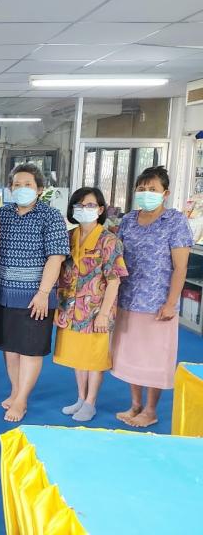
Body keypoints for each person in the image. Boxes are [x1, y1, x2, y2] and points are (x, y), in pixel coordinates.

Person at [111, 166, 192, 428]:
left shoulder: (175, 221)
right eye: (142, 189)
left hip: (158, 302)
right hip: (128, 298)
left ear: (165, 193)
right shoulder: (128, 220)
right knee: (131, 354)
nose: (146, 193)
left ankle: (150, 409)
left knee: (154, 356)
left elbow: (180, 267)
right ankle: (135, 404)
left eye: (153, 189)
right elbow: (117, 258)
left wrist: (171, 303)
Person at [0, 163, 69, 422]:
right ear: (10, 188)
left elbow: (56, 258)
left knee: (30, 350)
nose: (21, 189)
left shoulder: (51, 216)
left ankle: (22, 399)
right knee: (10, 348)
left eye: (28, 184)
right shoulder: (1, 215)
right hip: (3, 294)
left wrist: (43, 293)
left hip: (36, 297)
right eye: (17, 185)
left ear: (39, 189)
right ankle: (15, 391)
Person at [54, 187, 128, 422]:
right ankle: (80, 398)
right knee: (78, 357)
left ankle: (91, 402)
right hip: (70, 309)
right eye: (79, 205)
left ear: (100, 209)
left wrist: (103, 314)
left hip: (96, 310)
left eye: (89, 205)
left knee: (94, 359)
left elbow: (114, 281)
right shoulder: (69, 237)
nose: (83, 209)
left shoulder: (109, 241)